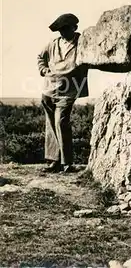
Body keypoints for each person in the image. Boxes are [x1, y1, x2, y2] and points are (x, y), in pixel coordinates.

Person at [37, 13, 89, 173]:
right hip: (48, 89)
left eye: (66, 29)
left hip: (68, 91)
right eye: (61, 30)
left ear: (75, 28)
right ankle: (54, 161)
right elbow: (40, 57)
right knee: (51, 124)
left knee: (61, 122)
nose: (63, 32)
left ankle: (67, 163)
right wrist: (43, 69)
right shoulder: (53, 44)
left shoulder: (83, 43)